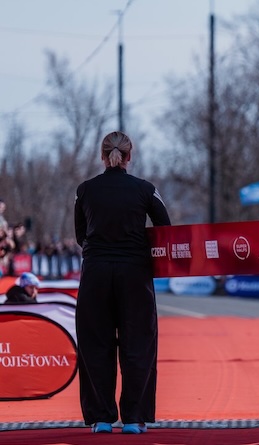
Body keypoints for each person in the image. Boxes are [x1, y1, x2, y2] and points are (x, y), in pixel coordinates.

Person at [74, 131, 171, 434]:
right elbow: (165, 229)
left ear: (102, 157)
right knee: (138, 344)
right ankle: (133, 418)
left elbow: (80, 236)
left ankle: (102, 418)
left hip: (96, 275)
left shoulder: (85, 190)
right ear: (130, 156)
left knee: (96, 344)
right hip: (134, 275)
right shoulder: (145, 189)